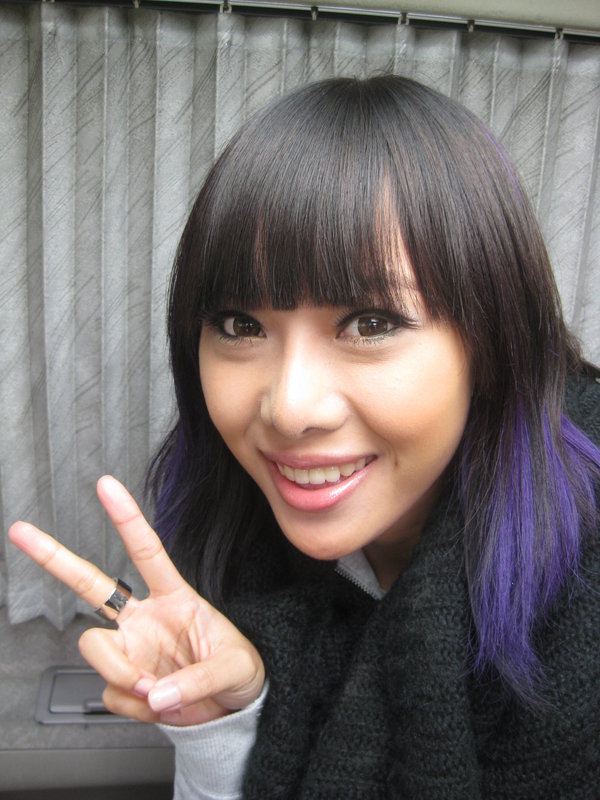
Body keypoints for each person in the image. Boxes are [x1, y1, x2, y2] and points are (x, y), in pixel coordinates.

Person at [9, 75, 600, 799]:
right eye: (241, 325)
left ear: (493, 344)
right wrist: (220, 728)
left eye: (371, 324)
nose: (289, 410)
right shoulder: (242, 542)